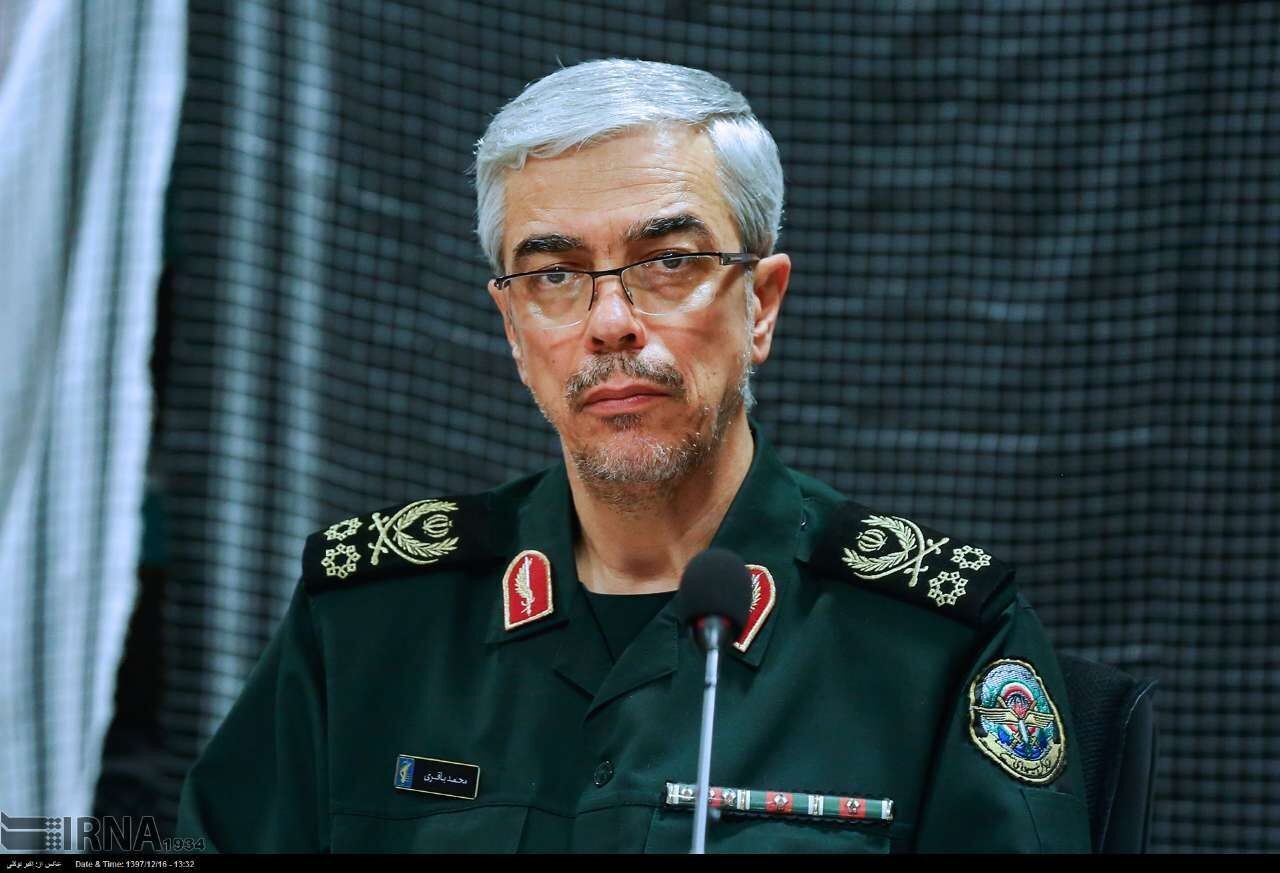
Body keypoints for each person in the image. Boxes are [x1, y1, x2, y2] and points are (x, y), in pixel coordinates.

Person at [176, 59, 1091, 853]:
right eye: (554, 275)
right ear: (513, 327)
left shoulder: (934, 642)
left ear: (762, 304)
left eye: (668, 262)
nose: (610, 322)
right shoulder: (370, 624)